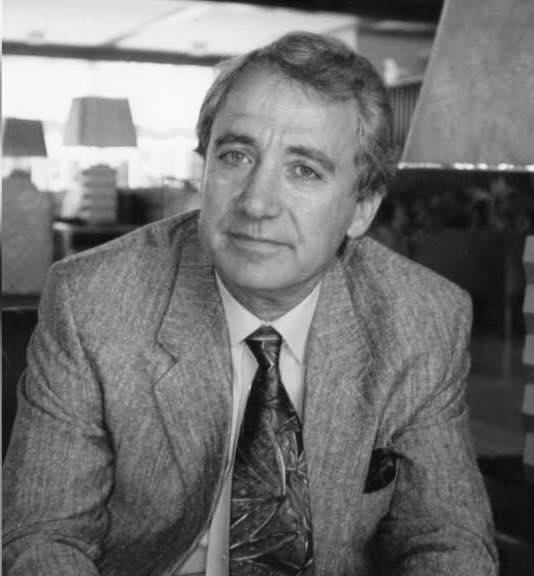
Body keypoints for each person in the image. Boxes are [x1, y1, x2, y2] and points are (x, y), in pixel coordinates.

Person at [3, 32, 498, 576]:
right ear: (204, 168)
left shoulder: (423, 319)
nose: (257, 203)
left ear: (361, 208)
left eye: (304, 170)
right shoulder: (92, 301)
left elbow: (447, 543)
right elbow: (42, 538)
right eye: (236, 156)